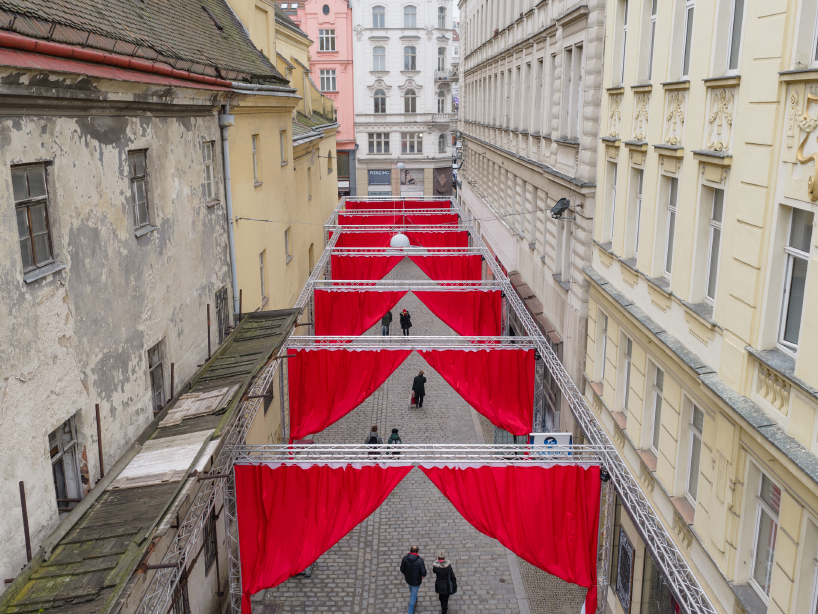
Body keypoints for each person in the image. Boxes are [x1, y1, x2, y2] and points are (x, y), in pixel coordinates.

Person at [400, 546, 426, 614]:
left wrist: (406, 574)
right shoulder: (420, 560)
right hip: (416, 581)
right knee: (412, 595)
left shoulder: (405, 558)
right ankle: (410, 611)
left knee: (412, 590)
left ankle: (416, 599)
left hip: (408, 579)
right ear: (417, 551)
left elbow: (402, 570)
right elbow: (424, 572)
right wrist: (422, 575)